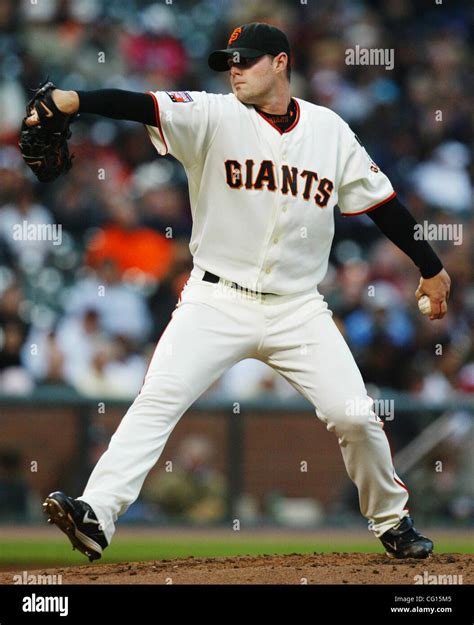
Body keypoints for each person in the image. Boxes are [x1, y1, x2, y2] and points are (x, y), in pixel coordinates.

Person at [30, 23, 451, 561]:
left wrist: (431, 267)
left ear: (280, 62)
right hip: (215, 299)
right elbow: (138, 105)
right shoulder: (212, 114)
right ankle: (96, 514)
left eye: (246, 60)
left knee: (354, 415)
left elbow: (383, 205)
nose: (234, 69)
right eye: (229, 61)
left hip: (298, 308)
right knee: (158, 399)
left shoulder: (329, 130)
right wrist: (73, 99)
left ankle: (392, 521)